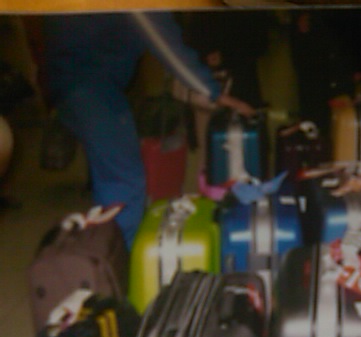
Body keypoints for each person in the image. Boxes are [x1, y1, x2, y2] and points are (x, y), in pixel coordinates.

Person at [42, 12, 255, 248]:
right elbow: (166, 44)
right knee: (124, 181)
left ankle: (105, 246)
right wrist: (216, 94)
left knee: (109, 171)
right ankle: (120, 261)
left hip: (73, 76)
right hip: (91, 85)